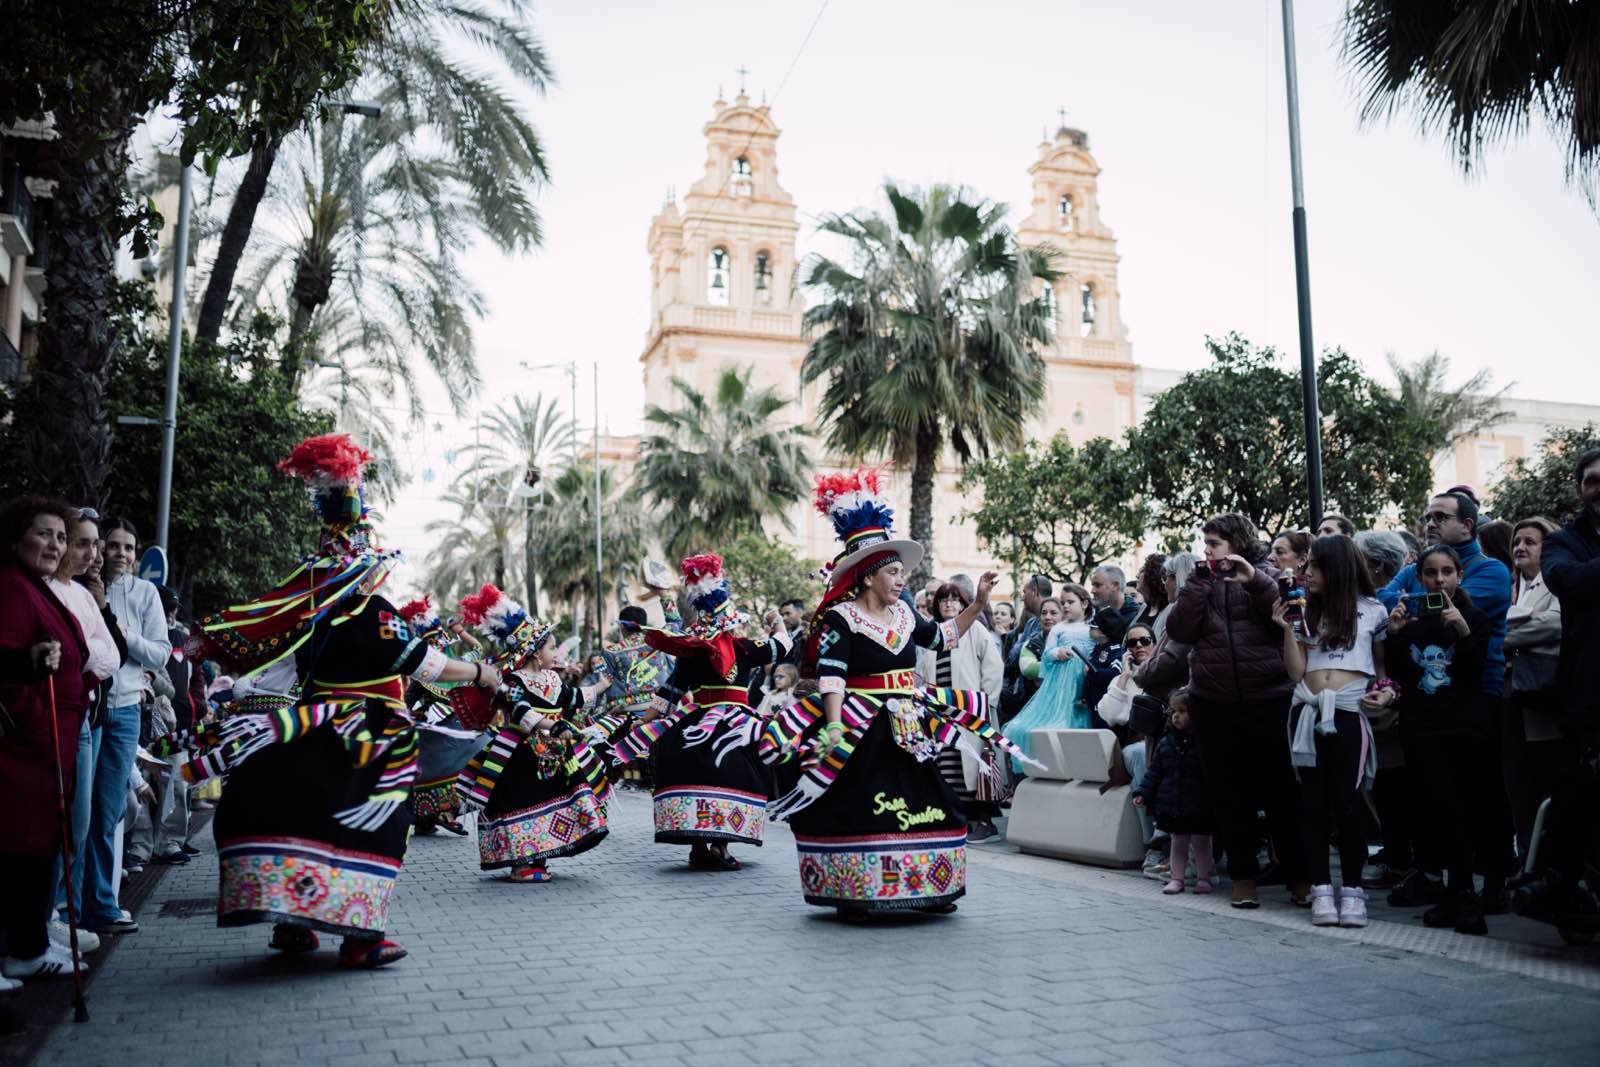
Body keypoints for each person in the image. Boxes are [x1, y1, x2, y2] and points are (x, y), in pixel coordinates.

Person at [152, 434, 500, 967]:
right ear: (364, 564)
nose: (381, 570)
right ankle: (362, 939)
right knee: (375, 824)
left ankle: (294, 928)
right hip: (367, 738)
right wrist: (479, 670)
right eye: (376, 560)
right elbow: (419, 663)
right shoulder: (370, 610)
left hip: (307, 727)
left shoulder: (309, 616)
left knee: (301, 815)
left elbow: (274, 669)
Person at [761, 468, 1033, 917]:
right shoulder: (840, 619)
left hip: (908, 721)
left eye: (902, 572)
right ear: (868, 577)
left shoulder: (906, 616)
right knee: (862, 801)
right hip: (860, 724)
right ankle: (856, 891)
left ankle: (931, 885)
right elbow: (832, 676)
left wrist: (980, 603)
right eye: (893, 572)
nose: (901, 580)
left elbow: (943, 636)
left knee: (931, 796)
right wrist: (832, 726)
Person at [613, 553, 792, 870]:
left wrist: (642, 723)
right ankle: (719, 846)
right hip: (734, 723)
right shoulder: (744, 648)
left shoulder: (696, 654)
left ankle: (699, 845)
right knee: (738, 768)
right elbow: (783, 644)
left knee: (689, 764)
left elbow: (669, 693)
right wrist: (776, 619)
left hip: (695, 722)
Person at [1165, 513, 1306, 910]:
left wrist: (1253, 579)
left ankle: (1300, 876)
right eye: (1205, 543)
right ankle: (1243, 878)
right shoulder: (1200, 581)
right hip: (1214, 702)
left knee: (1283, 793)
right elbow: (1179, 631)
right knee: (1229, 795)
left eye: (1214, 543)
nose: (1207, 550)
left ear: (1238, 543)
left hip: (1270, 696)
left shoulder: (1267, 573)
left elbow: (1284, 615)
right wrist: (1196, 584)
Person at [1377, 491, 1514, 901]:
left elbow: (1438, 607)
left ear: (1468, 525)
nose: (1430, 522)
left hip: (1477, 699)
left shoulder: (1490, 570)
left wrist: (1416, 602)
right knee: (1433, 796)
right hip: (1427, 706)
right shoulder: (1421, 569)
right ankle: (1441, 880)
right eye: (1427, 516)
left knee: (1483, 796)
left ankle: (1493, 881)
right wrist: (1406, 614)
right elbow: (1388, 599)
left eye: (1441, 516)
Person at [1274, 535, 1395, 928]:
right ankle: (1321, 890)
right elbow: (1296, 671)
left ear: (1337, 566)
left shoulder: (1374, 611)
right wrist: (1286, 628)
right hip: (1307, 709)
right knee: (1311, 805)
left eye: (1314, 565)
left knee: (1348, 804)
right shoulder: (1306, 611)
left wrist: (1387, 693)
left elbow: (1381, 670)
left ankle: (1353, 891)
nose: (1306, 573)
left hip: (1347, 712)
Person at [454, 584, 610, 884]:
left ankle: (539, 857)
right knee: (521, 797)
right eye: (552, 647)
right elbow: (521, 713)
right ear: (536, 653)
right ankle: (521, 863)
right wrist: (555, 726)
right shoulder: (512, 680)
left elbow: (572, 698)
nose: (556, 652)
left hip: (554, 750)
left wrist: (601, 688)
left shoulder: (552, 678)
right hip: (520, 752)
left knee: (558, 795)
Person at [0, 496, 94, 982]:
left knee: (38, 845)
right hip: (27, 745)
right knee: (18, 846)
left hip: (52, 740)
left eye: (61, 536)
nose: (55, 545)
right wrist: (33, 717)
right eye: (44, 534)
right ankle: (22, 946)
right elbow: (8, 659)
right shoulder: (13, 588)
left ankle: (30, 944)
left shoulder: (37, 587)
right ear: (16, 538)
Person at [1384, 545, 1493, 935]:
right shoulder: (1412, 619)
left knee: (1460, 811)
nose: (1439, 579)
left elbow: (1474, 673)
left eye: (1448, 571)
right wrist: (1394, 635)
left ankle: (1465, 893)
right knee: (1430, 810)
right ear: (1420, 578)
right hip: (1420, 727)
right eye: (1431, 572)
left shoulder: (1474, 617)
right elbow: (1399, 675)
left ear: (1459, 576)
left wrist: (1463, 633)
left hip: (1462, 729)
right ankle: (1446, 889)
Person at [1513, 448, 1600, 921]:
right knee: (1576, 788)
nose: (1599, 487)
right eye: (1592, 480)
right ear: (1580, 489)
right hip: (1589, 694)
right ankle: (1558, 882)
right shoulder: (1565, 542)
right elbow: (1570, 582)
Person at [81, 517, 170, 937]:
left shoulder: (146, 593)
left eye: (128, 547)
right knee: (83, 811)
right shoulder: (84, 584)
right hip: (90, 709)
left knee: (110, 810)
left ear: (136, 555)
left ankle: (101, 901)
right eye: (112, 545)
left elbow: (158, 655)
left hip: (127, 711)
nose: (119, 554)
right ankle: (70, 906)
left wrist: (121, 632)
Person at [45, 510, 118, 955]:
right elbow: (83, 652)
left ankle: (59, 913)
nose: (91, 554)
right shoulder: (43, 590)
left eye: (95, 544)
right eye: (82, 543)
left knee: (80, 823)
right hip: (55, 714)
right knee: (52, 821)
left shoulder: (86, 596)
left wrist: (80, 662)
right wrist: (82, 657)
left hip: (85, 716)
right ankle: (46, 916)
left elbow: (109, 655)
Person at [918, 581, 1004, 841]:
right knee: (949, 767)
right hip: (941, 712)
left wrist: (986, 703)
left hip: (971, 710)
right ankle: (959, 820)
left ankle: (985, 822)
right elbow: (922, 672)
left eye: (955, 599)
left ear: (965, 603)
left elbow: (993, 667)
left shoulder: (975, 629)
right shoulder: (933, 633)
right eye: (944, 600)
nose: (949, 603)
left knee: (977, 766)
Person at [397, 597, 486, 836]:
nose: (438, 645)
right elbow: (404, 703)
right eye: (432, 644)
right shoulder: (420, 677)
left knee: (482, 754)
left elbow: (478, 649)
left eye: (440, 641)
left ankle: (445, 812)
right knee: (432, 768)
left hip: (464, 731)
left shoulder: (456, 665)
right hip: (439, 735)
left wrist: (460, 631)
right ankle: (429, 816)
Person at [1501, 517, 1562, 858]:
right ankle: (1526, 856)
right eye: (1516, 542)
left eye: (1530, 542)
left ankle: (1549, 859)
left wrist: (1503, 637)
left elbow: (1556, 623)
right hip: (1509, 693)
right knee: (1517, 780)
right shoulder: (1510, 584)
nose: (1520, 548)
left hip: (1542, 694)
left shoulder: (1554, 582)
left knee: (1545, 774)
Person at [1133, 690, 1213, 895]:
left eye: (1182, 711)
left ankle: (1203, 878)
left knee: (1201, 843)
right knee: (1178, 843)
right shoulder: (1166, 742)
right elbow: (1155, 772)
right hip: (1174, 804)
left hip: (1200, 804)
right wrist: (1142, 792)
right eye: (1173, 711)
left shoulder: (1204, 744)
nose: (1176, 716)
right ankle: (1177, 878)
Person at [1004, 589, 1095, 766]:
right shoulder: (1059, 629)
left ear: (1084, 604)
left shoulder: (1092, 628)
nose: (1066, 606)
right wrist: (1056, 652)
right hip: (1060, 682)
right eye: (1064, 602)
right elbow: (1046, 655)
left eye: (1070, 602)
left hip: (1083, 679)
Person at [1000, 575, 1052, 723]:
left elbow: (1016, 656)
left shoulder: (1052, 623)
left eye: (1025, 592)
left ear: (1035, 592)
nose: (1022, 598)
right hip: (1024, 695)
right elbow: (1012, 658)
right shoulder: (1031, 623)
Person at [1082, 606, 1129, 720]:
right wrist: (1085, 696)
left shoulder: (1116, 651)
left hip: (1107, 703)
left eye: (1093, 626)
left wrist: (1093, 673)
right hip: (1094, 701)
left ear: (1103, 632)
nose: (1090, 629)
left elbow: (1116, 673)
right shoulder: (1098, 648)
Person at [1090, 564, 1141, 632]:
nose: (1092, 591)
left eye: (1097, 585)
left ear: (1115, 585)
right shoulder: (1091, 615)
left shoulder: (1137, 617)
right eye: (1093, 585)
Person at [1133, 554, 1168, 630]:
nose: (1137, 575)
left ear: (1153, 575)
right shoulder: (1143, 608)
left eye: (1142, 570)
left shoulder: (1169, 611)